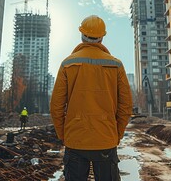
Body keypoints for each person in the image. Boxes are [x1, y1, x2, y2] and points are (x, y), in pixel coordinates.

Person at [50, 15, 133, 181]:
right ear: (102, 37)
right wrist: (117, 134)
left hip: (75, 140)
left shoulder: (67, 63)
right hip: (105, 140)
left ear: (81, 35)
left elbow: (56, 106)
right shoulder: (116, 65)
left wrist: (63, 134)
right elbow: (126, 106)